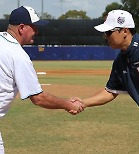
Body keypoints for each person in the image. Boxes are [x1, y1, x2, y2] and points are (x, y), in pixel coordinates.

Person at [74, 10, 139, 154]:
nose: (106, 37)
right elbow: (110, 91)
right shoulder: (121, 61)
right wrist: (83, 102)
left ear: (124, 31)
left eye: (109, 32)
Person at [0, 6, 84, 154]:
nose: (37, 32)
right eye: (34, 27)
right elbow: (38, 98)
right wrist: (67, 104)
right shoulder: (18, 55)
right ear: (21, 28)